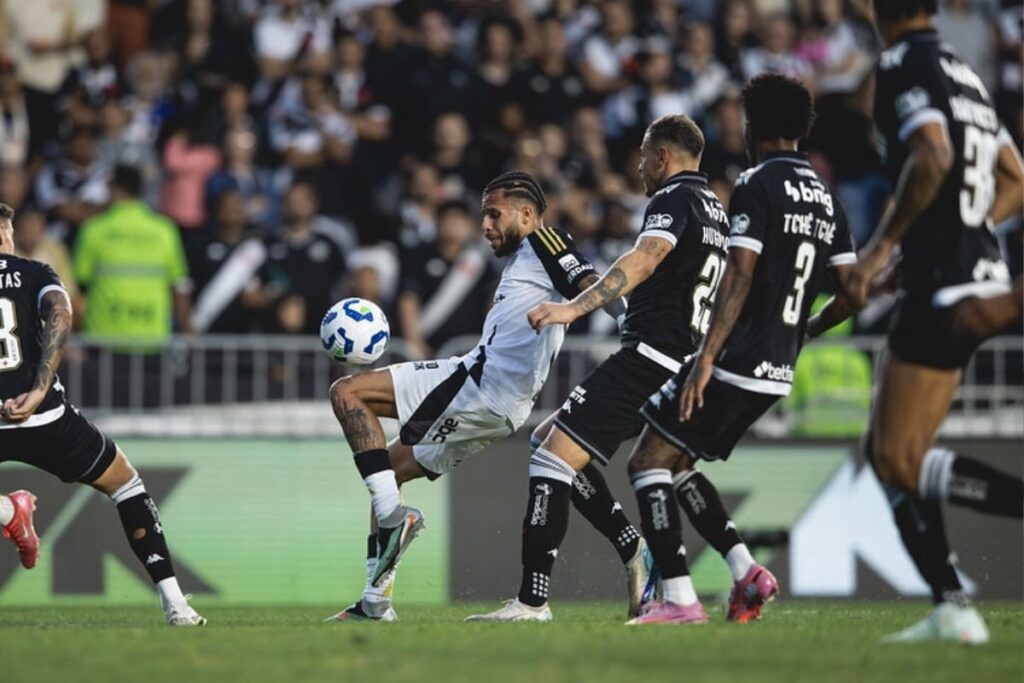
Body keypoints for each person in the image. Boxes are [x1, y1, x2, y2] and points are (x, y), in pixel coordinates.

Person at [326, 171, 649, 622]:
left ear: (527, 214)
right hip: (496, 402)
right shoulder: (522, 262)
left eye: (494, 214)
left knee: (347, 392)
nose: (486, 225)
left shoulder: (547, 241)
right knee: (391, 470)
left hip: (475, 385)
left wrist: (626, 323)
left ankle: (394, 519)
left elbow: (590, 279)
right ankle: (376, 602)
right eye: (484, 216)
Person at [467, 114, 734, 622]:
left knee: (551, 457)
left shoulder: (673, 199)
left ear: (661, 157)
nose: (637, 166)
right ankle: (636, 548)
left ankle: (532, 602)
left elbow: (646, 257)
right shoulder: (714, 209)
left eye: (641, 154)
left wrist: (573, 308)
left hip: (652, 356)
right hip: (681, 358)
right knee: (553, 440)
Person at [622, 73, 858, 625]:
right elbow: (853, 294)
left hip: (737, 357)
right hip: (778, 369)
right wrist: (803, 333)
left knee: (647, 461)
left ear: (754, 128)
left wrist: (707, 357)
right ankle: (748, 572)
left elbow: (739, 274)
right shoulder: (829, 199)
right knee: (677, 463)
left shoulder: (756, 182)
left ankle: (679, 600)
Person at [844, 0, 1024, 644]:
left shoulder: (900, 64)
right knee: (901, 457)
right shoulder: (964, 71)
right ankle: (951, 605)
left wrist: (882, 251)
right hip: (974, 277)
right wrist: (960, 233)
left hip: (943, 288)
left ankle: (953, 608)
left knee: (893, 455)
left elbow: (933, 152)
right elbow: (1014, 178)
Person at [0, 202, 204, 626]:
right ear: (6, 233)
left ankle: (9, 512)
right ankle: (176, 604)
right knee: (127, 485)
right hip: (45, 417)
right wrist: (38, 389)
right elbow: (61, 312)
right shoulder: (36, 272)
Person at [73, 165, 193, 344]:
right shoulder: (164, 230)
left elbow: (78, 285)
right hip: (152, 337)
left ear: (115, 189)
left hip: (103, 336)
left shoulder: (94, 229)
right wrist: (187, 331)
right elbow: (180, 286)